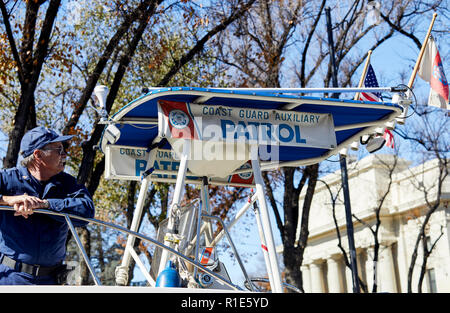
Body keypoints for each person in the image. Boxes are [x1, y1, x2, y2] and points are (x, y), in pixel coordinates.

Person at [0, 126, 95, 285]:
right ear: (38, 155)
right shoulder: (8, 179)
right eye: (59, 149)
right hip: (10, 278)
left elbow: (86, 211)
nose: (65, 154)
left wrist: (45, 204)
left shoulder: (68, 184)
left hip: (51, 281)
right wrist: (7, 200)